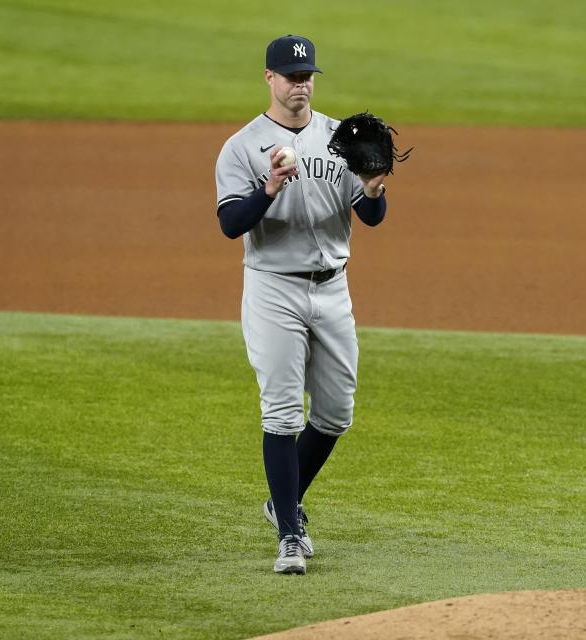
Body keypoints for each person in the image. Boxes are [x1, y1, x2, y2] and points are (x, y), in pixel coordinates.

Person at [214, 35, 388, 575]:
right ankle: (290, 534)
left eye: (307, 74)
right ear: (269, 78)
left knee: (336, 413)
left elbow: (373, 218)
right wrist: (268, 187)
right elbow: (229, 224)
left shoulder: (341, 138)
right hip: (273, 290)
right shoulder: (242, 146)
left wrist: (376, 190)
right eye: (290, 75)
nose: (300, 83)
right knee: (283, 413)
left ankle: (280, 503)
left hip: (333, 287)